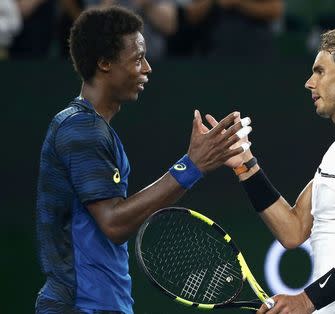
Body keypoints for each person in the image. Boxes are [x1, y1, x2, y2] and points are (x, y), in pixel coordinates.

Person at [35, 6, 250, 313]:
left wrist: (192, 166)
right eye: (137, 58)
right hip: (82, 306)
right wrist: (192, 166)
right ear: (104, 63)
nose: (148, 68)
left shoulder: (91, 128)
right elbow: (113, 222)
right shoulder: (82, 130)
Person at [206, 27, 335, 313]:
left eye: (320, 72)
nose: (309, 83)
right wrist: (244, 163)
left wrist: (306, 299)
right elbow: (294, 230)